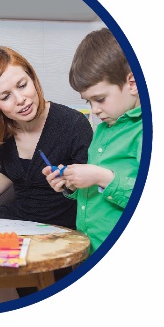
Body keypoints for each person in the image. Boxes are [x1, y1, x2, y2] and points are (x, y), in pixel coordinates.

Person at [0, 46, 93, 304]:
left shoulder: (73, 124)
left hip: (57, 223)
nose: (21, 100)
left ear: (33, 78)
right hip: (20, 217)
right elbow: (10, 172)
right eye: (5, 96)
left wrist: (68, 181)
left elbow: (89, 186)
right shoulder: (4, 130)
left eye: (23, 85)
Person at [43, 27, 142, 255]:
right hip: (90, 247)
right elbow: (96, 191)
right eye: (88, 102)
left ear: (133, 83)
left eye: (100, 99)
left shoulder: (143, 131)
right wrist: (71, 183)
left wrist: (100, 176)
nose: (94, 110)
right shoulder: (104, 129)